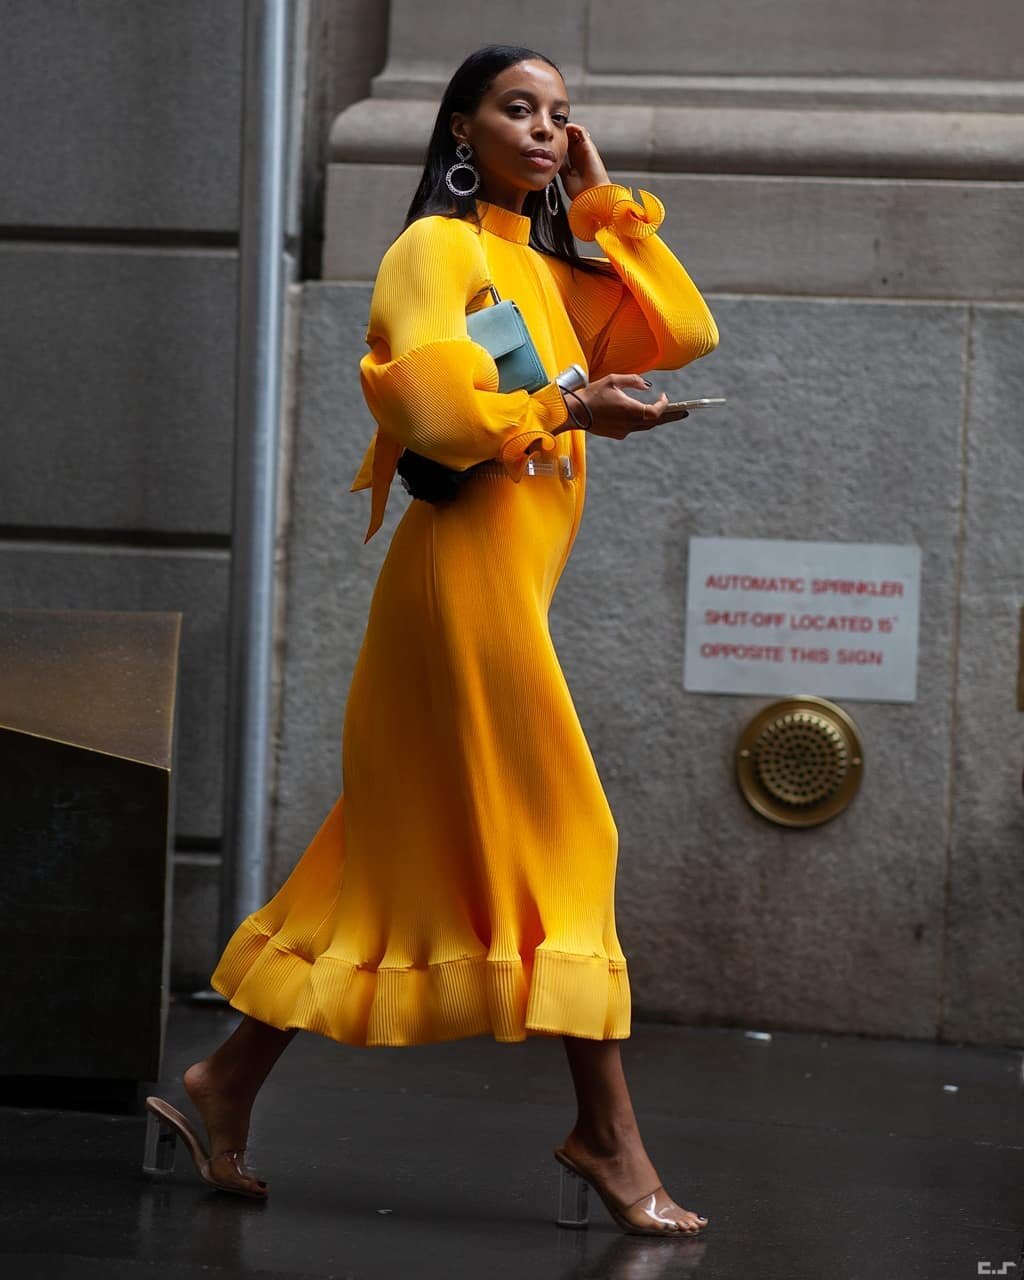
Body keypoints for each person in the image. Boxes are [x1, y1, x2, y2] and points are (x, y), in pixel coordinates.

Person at [144, 43, 718, 1238]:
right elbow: (438, 414)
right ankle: (606, 1136)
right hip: (458, 590)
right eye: (520, 109)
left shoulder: (539, 265)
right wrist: (564, 405)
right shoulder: (433, 250)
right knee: (574, 830)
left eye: (562, 115)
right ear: (461, 129)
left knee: (379, 858)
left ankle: (225, 1079)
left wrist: (604, 210)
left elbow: (678, 332)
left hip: (507, 585)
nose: (548, 130)